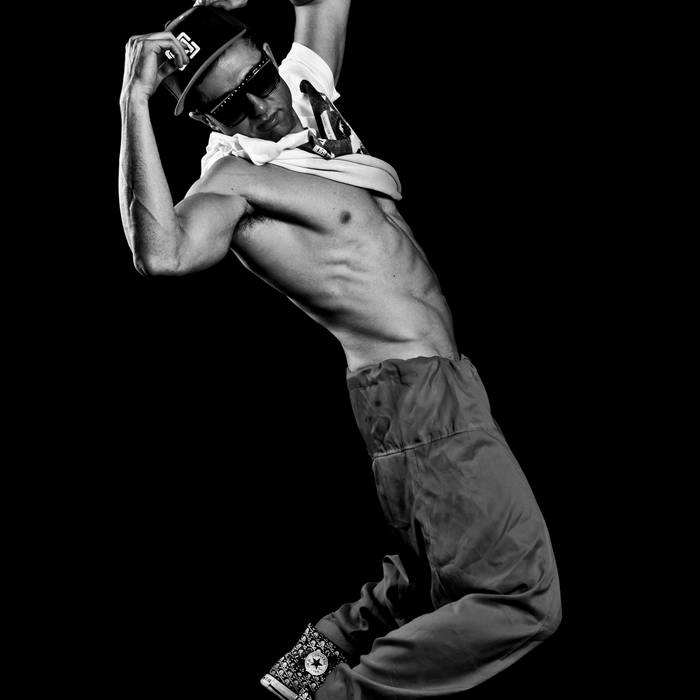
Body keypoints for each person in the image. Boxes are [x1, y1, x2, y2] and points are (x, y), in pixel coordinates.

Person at [119, 1, 562, 698]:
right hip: (416, 397)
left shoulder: (306, 93)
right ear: (206, 120)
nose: (263, 108)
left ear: (269, 57)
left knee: (423, 585)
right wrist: (134, 103)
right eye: (232, 107)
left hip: (435, 389)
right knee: (522, 596)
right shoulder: (233, 180)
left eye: (259, 80)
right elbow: (162, 254)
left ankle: (296, 679)